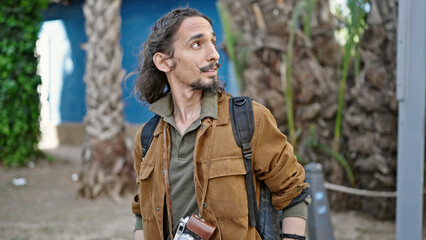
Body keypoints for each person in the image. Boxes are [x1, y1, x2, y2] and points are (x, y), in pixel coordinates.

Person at [131, 7, 310, 240]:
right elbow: (141, 213)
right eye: (197, 44)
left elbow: (293, 193)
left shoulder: (249, 119)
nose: (214, 54)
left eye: (213, 42)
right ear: (164, 62)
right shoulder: (146, 138)